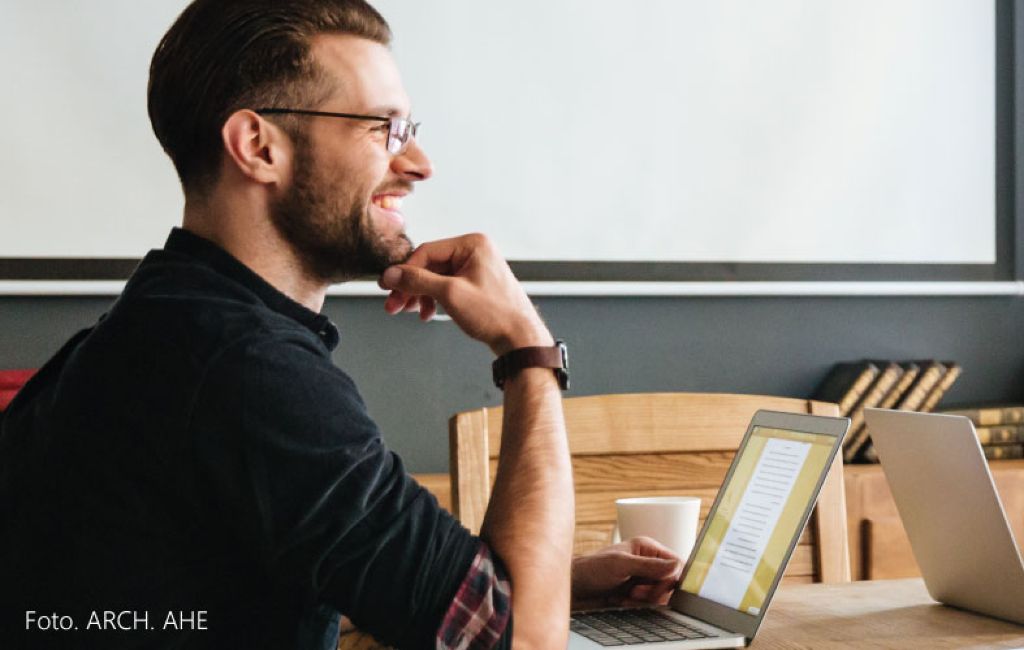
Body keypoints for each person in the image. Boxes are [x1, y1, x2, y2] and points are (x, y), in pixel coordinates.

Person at [0, 1, 683, 648]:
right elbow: (524, 640)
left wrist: (550, 580)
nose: (417, 164)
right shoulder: (247, 371)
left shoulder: (166, 328)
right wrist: (527, 350)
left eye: (409, 130)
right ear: (258, 147)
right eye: (381, 127)